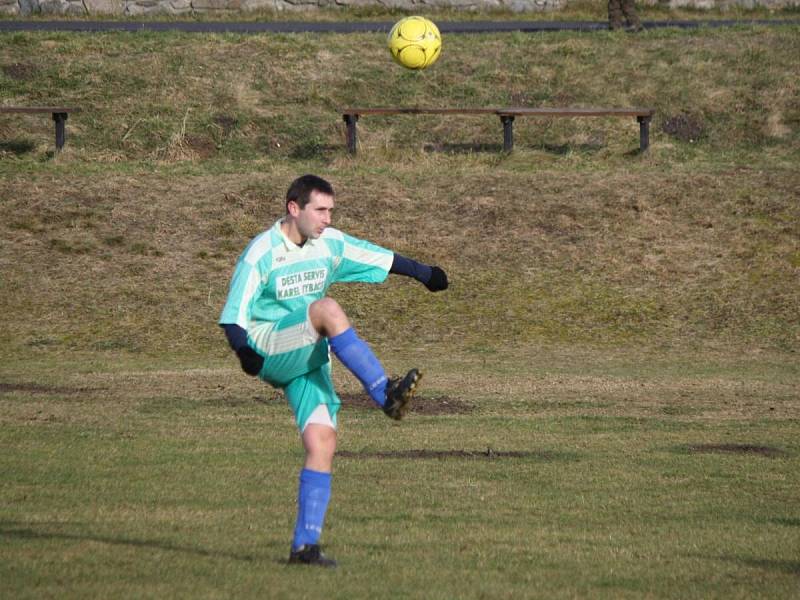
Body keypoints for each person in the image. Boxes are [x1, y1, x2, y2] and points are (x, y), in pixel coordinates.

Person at [219, 174, 448, 568]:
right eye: (320, 210)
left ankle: (304, 547)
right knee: (327, 309)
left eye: (331, 210)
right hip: (269, 348)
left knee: (322, 442)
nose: (327, 218)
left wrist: (425, 274)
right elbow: (232, 317)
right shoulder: (262, 252)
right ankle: (384, 393)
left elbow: (378, 257)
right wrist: (245, 354)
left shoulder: (329, 244)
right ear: (294, 208)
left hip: (308, 355)